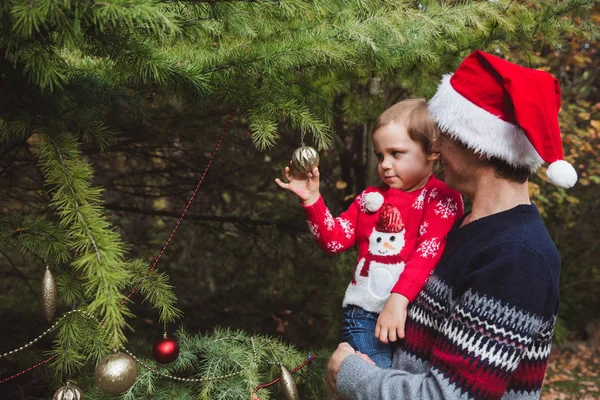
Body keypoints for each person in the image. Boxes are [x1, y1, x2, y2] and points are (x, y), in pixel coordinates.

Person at [325, 50, 578, 399]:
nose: (436, 146)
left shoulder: (518, 257)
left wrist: (351, 374)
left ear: (483, 146)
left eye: (445, 134)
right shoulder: (462, 229)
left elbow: (447, 396)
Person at [276, 99, 463, 368]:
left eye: (396, 153)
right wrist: (312, 200)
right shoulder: (369, 200)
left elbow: (428, 252)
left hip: (420, 320)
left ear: (432, 150)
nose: (385, 164)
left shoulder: (441, 199)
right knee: (378, 383)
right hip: (365, 317)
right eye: (380, 155)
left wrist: (398, 300)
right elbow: (334, 240)